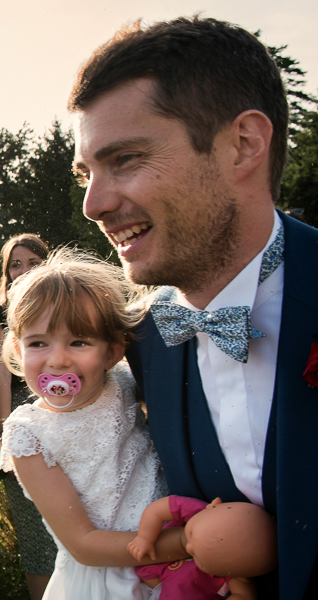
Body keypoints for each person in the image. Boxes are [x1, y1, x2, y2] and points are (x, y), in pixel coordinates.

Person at [69, 15, 318, 599]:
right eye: (87, 173)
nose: (93, 204)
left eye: (125, 159)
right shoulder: (144, 337)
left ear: (243, 145)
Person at [0, 249, 185, 600]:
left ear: (112, 352)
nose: (57, 359)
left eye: (79, 342)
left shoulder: (124, 382)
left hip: (167, 567)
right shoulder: (28, 434)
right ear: (18, 351)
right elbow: (83, 544)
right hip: (105, 580)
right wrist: (188, 542)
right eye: (38, 343)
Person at [0, 234, 56, 600]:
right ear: (6, 273)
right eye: (15, 264)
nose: (24, 271)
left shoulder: (66, 301)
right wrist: (7, 436)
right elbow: (1, 374)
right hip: (26, 426)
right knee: (36, 537)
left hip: (71, 421)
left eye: (33, 262)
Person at [128, 496, 278, 599]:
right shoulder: (199, 511)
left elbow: (244, 595)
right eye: (191, 533)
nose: (188, 548)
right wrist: (145, 537)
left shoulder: (229, 570)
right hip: (157, 570)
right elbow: (158, 509)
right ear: (214, 505)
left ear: (238, 574)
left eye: (200, 561)